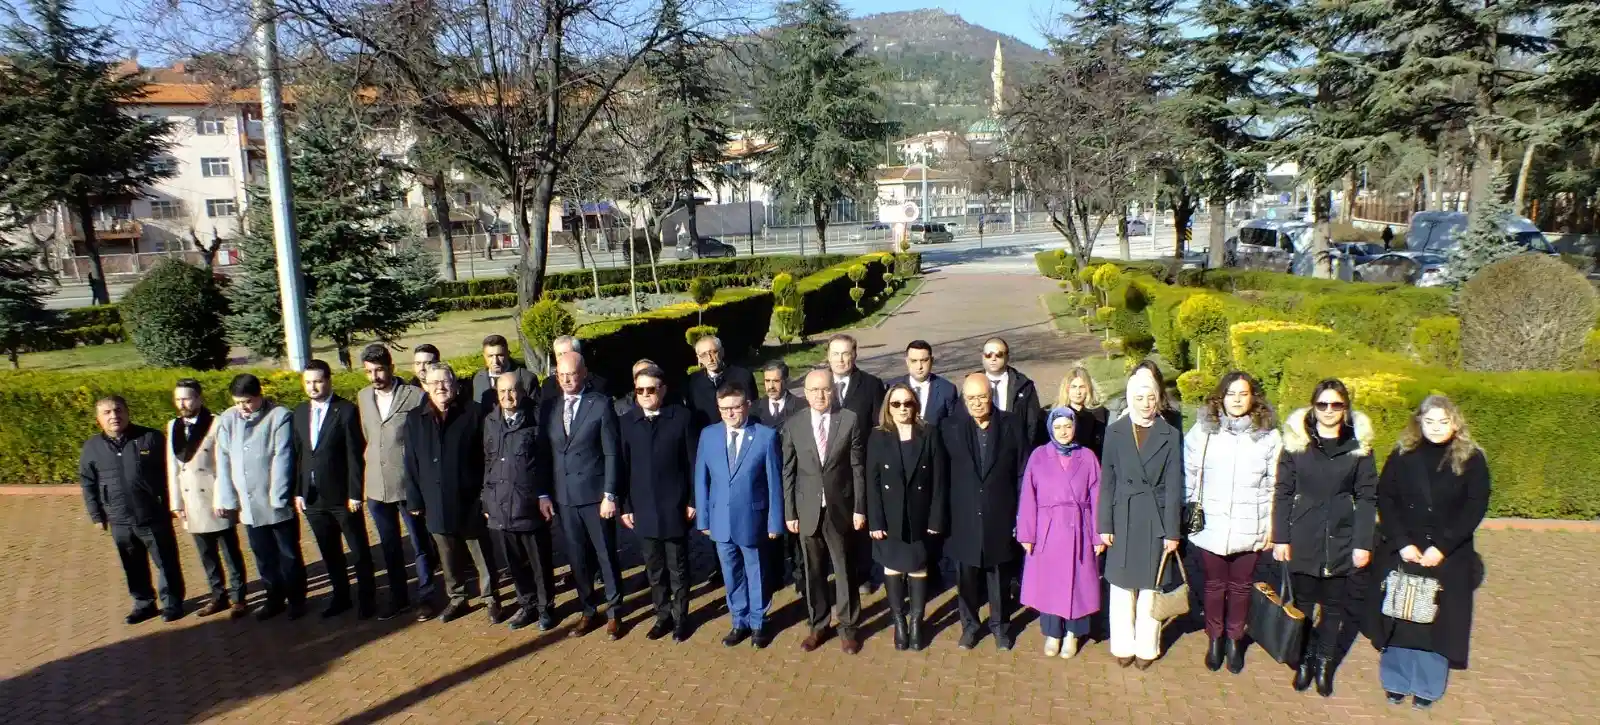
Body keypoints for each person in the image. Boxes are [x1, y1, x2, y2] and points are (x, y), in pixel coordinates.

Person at [1369, 395, 1489, 710]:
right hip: (1405, 549)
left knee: (1437, 623)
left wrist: (1443, 547)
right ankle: (1395, 680)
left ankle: (1428, 685)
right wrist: (1402, 541)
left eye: (1443, 421)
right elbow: (1386, 498)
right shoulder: (1403, 454)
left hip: (1448, 554)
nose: (1436, 428)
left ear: (1455, 423)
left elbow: (1475, 507)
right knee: (1401, 616)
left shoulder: (1472, 458)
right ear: (1419, 422)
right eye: (1429, 421)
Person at [1274, 378, 1377, 696]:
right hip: (1304, 534)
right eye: (1323, 404)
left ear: (1345, 408)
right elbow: (1282, 491)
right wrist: (1280, 537)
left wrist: (1362, 542)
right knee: (1303, 605)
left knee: (1333, 609)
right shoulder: (1297, 443)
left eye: (1336, 405)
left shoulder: (1359, 447)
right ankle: (1303, 660)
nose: (1329, 410)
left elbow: (1367, 497)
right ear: (1313, 406)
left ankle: (1324, 664)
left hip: (1342, 539)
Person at [1185, 372, 1280, 674]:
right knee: (1213, 585)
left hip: (1250, 524)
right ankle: (1215, 638)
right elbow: (1190, 474)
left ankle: (1235, 639)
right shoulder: (1204, 431)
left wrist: (1272, 527)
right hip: (1211, 523)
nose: (1237, 400)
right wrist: (1187, 511)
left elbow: (1276, 484)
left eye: (1243, 393)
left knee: (1240, 588)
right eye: (1231, 393)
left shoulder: (1269, 435)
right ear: (1220, 397)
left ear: (1254, 398)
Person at [405, 363, 503, 624]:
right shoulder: (415, 419)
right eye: (434, 382)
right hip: (435, 501)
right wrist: (414, 498)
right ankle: (457, 597)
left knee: (481, 553)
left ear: (456, 385)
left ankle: (491, 598)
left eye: (445, 381)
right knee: (447, 556)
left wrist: (486, 496)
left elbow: (488, 457)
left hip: (470, 499)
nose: (440, 387)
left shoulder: (474, 413)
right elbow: (411, 462)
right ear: (425, 386)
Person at [1098, 371, 1183, 669]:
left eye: (1151, 397)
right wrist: (1104, 524)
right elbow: (1107, 479)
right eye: (1139, 398)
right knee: (1121, 587)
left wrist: (1173, 531)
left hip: (1155, 518)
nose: (1146, 404)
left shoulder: (1170, 434)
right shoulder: (1116, 431)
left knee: (1151, 585)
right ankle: (1122, 643)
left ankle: (1147, 646)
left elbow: (1175, 485)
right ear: (1130, 399)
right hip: (1123, 515)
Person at [539, 351, 625, 639]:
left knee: (605, 556)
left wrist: (610, 494)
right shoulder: (549, 407)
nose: (566, 380)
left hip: (595, 497)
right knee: (576, 558)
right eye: (561, 375)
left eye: (572, 374)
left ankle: (614, 612)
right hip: (564, 498)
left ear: (584, 373)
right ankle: (589, 610)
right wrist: (544, 493)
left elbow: (612, 453)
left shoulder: (600, 405)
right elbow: (544, 453)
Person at [941, 373, 1028, 651]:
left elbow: (1022, 471)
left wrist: (1020, 513)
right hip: (963, 516)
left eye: (982, 397)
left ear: (991, 396)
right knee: (965, 578)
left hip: (1000, 512)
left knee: (999, 575)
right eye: (971, 398)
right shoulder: (949, 427)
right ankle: (969, 626)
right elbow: (941, 476)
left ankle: (1001, 627)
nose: (977, 403)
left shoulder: (1012, 425)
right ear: (963, 400)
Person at [783, 368, 868, 654]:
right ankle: (819, 625)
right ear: (805, 393)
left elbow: (857, 467)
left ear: (834, 390)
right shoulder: (794, 424)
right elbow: (789, 472)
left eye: (826, 389)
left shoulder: (849, 420)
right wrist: (789, 512)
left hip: (840, 508)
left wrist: (859, 507)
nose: (820, 395)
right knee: (814, 571)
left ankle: (848, 628)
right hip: (807, 510)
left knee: (845, 570)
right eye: (814, 390)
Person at [80, 396, 185, 624]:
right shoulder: (92, 447)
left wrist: (174, 505)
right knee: (133, 565)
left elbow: (172, 474)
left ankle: (172, 603)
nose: (113, 416)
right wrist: (97, 515)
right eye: (106, 412)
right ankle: (144, 604)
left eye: (118, 410)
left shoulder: (151, 438)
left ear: (127, 412)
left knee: (165, 561)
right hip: (119, 519)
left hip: (153, 514)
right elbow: (88, 483)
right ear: (99, 419)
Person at [695, 383, 785, 648]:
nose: (730, 413)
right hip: (720, 520)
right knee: (731, 573)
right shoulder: (708, 435)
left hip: (753, 519)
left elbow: (774, 483)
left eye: (735, 407)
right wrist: (703, 519)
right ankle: (739, 621)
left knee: (756, 572)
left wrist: (774, 521)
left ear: (746, 406)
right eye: (724, 409)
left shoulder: (765, 436)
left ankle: (758, 622)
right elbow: (702, 479)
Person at [358, 344, 437, 621]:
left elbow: (423, 441)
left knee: (419, 544)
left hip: (407, 485)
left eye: (379, 370)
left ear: (391, 367)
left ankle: (427, 596)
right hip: (377, 487)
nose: (375, 376)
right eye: (369, 371)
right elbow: (368, 436)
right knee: (390, 546)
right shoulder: (363, 397)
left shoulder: (414, 396)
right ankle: (398, 597)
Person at [619, 365, 698, 642]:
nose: (644, 395)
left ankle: (681, 618)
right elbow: (623, 467)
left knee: (678, 568)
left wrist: (693, 500)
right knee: (654, 569)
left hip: (674, 506)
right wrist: (626, 506)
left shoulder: (681, 418)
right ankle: (662, 615)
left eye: (650, 389)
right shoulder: (627, 422)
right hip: (643, 508)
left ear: (662, 389)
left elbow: (693, 463)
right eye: (639, 390)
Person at [216, 374, 305, 621]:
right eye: (238, 402)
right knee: (263, 556)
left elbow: (282, 456)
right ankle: (274, 598)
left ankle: (297, 599)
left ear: (259, 395)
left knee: (288, 554)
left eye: (248, 401)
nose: (243, 408)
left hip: (274, 501)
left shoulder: (279, 416)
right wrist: (227, 498)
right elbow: (222, 459)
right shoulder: (228, 419)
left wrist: (277, 497)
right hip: (248, 505)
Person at [1018, 407, 1104, 659]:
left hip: (1079, 526)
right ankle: (1053, 632)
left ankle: (1072, 634)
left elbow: (1097, 496)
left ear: (1074, 427)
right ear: (1050, 429)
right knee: (1050, 583)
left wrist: (1098, 534)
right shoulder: (1038, 456)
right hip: (1048, 529)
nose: (1063, 432)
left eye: (1068, 426)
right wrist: (1027, 533)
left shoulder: (1087, 457)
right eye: (1058, 427)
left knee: (1079, 583)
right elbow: (1028, 495)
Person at [292, 359, 375, 619]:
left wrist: (355, 493)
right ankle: (341, 597)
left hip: (342, 497)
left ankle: (367, 600)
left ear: (328, 380)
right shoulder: (299, 412)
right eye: (308, 382)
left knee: (359, 551)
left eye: (317, 381)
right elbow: (299, 455)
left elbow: (354, 454)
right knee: (330, 552)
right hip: (313, 497)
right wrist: (298, 490)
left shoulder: (346, 410)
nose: (312, 387)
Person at [866, 383, 946, 652]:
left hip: (920, 515)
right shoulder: (878, 436)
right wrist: (875, 521)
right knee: (892, 567)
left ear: (916, 406)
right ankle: (898, 621)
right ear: (888, 407)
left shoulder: (929, 433)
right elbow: (872, 482)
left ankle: (915, 622)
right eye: (896, 404)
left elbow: (939, 480)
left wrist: (936, 518)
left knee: (918, 567)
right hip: (889, 517)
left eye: (907, 403)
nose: (902, 409)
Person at [482, 371, 556, 632]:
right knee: (514, 564)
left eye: (512, 390)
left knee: (539, 561)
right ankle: (528, 605)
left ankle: (547, 608)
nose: (507, 396)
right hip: (499, 505)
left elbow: (547, 462)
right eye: (502, 392)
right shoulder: (491, 421)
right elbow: (488, 462)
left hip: (529, 504)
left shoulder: (536, 419)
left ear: (522, 392)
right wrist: (486, 502)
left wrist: (545, 495)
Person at [166, 379, 246, 618]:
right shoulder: (172, 426)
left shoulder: (217, 423)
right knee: (206, 554)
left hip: (214, 497)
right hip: (191, 501)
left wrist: (224, 498)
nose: (182, 403)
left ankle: (239, 597)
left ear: (199, 398)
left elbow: (224, 464)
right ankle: (218, 595)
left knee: (229, 551)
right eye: (178, 398)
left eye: (187, 398)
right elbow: (172, 467)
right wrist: (176, 503)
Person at [824, 333, 883, 596]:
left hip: (860, 466)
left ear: (855, 354)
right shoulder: (820, 385)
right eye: (835, 353)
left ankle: (863, 573)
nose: (840, 359)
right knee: (832, 520)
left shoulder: (871, 385)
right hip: (830, 468)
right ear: (828, 356)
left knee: (860, 521)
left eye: (846, 353)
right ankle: (838, 572)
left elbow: (879, 428)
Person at [750, 359, 806, 597]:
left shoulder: (801, 406)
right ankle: (773, 575)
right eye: (767, 381)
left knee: (796, 529)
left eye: (775, 381)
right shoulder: (754, 411)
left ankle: (801, 575)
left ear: (786, 380)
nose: (771, 386)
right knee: (770, 528)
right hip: (767, 478)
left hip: (796, 475)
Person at [977, 337, 1043, 446]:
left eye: (998, 355)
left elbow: (1033, 422)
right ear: (983, 357)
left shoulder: (1024, 385)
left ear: (1007, 357)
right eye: (988, 355)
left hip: (1012, 448)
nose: (993, 359)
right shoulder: (972, 383)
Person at [685, 334, 758, 429]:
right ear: (699, 358)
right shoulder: (692, 382)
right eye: (704, 355)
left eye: (713, 352)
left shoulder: (742, 376)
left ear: (722, 352)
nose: (710, 359)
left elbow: (753, 409)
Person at [886, 339, 958, 426]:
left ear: (931, 360)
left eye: (924, 360)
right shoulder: (892, 387)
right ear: (907, 362)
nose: (919, 366)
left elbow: (953, 427)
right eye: (914, 361)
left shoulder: (947, 389)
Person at [471, 334, 538, 411]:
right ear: (484, 356)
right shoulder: (479, 379)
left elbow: (536, 412)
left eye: (500, 355)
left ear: (508, 354)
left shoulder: (527, 378)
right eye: (490, 356)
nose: (495, 361)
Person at [538, 335, 611, 405]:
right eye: (559, 354)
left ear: (578, 354)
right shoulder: (548, 385)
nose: (564, 358)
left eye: (566, 353)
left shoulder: (598, 384)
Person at [1055, 366, 1109, 458]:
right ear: (1066, 389)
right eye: (1073, 387)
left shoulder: (1100, 413)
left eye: (1082, 387)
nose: (1078, 392)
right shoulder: (1057, 414)